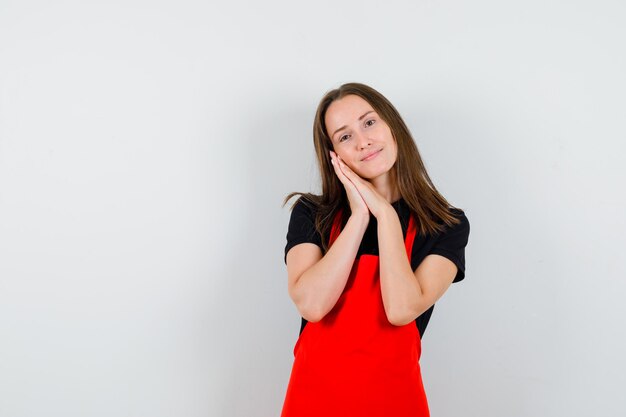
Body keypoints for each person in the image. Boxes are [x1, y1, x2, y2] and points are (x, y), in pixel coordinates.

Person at [280, 82, 470, 417]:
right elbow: (312, 305)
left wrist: (385, 215)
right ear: (334, 155)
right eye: (344, 136)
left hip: (394, 404)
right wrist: (359, 217)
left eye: (369, 123)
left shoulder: (445, 225)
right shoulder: (311, 214)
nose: (363, 140)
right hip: (314, 403)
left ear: (392, 125)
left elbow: (401, 309)